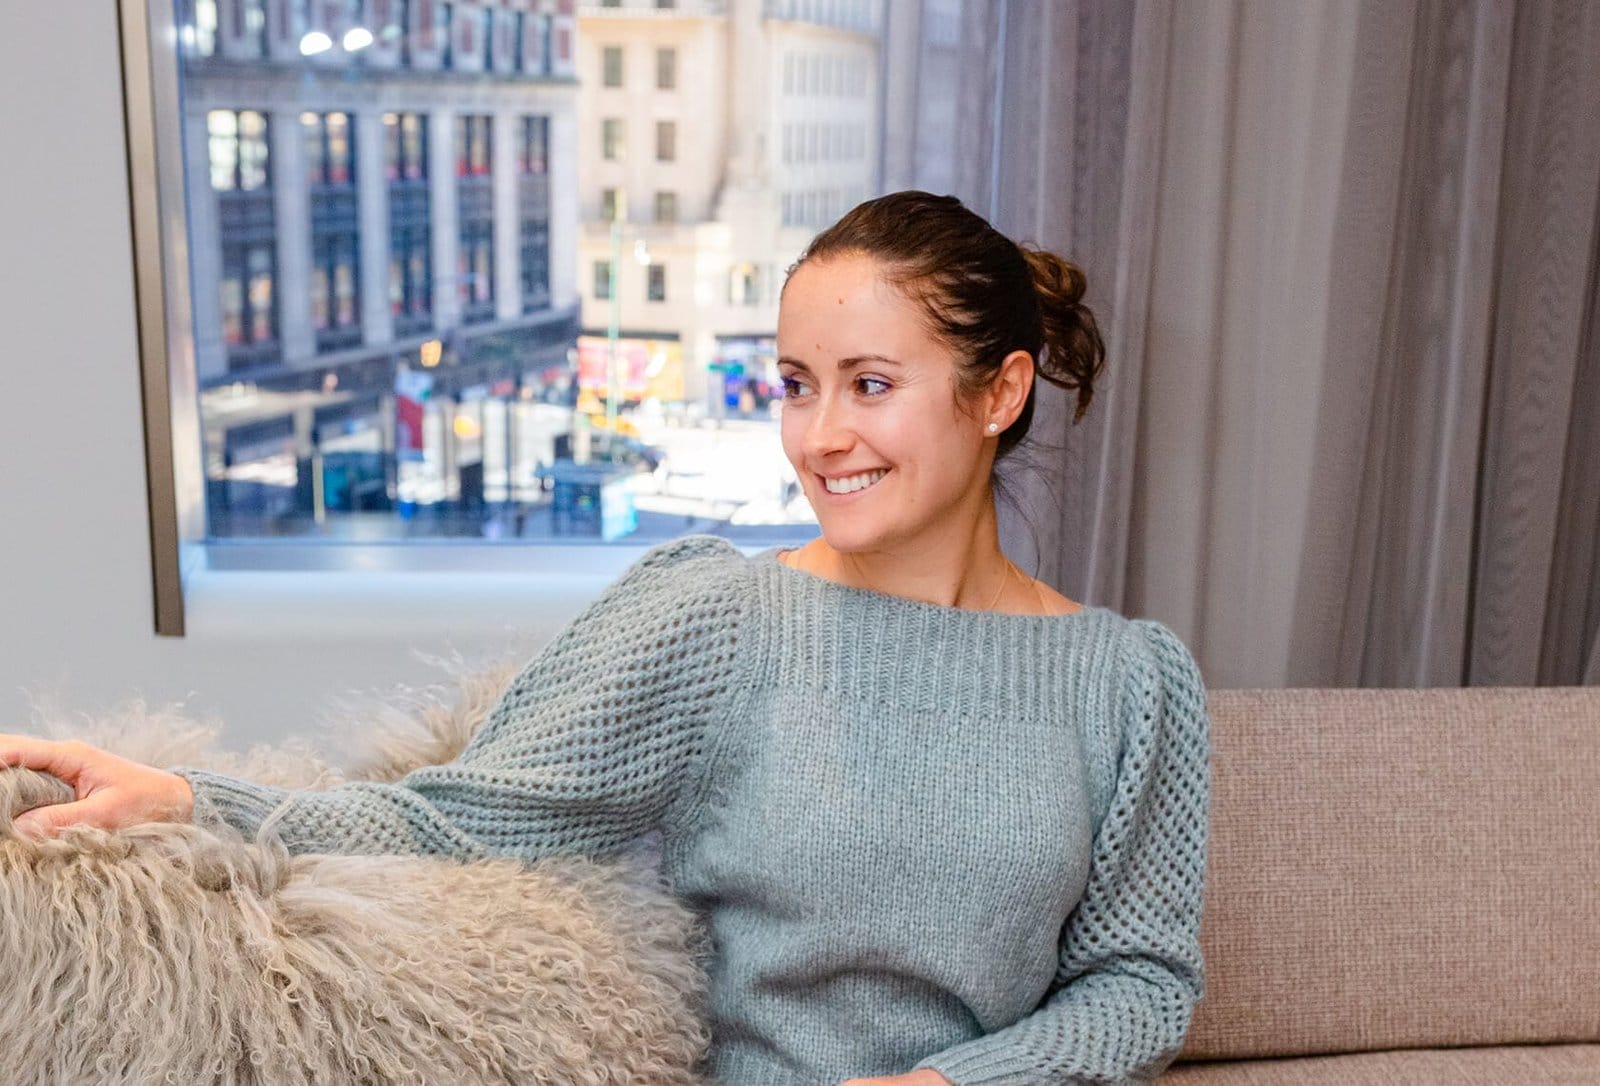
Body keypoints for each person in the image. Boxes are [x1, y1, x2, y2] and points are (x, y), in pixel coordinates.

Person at [1, 191, 1210, 1086]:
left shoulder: (1130, 681)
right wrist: (183, 797)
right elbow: (456, 819)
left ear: (995, 394)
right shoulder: (714, 615)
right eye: (795, 385)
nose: (820, 436)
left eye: (869, 384)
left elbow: (1140, 982)